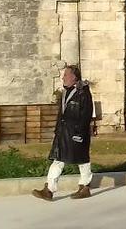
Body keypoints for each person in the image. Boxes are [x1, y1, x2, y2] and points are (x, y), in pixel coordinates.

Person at [33, 65, 93, 201]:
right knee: (58, 159)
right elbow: (62, 114)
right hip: (63, 132)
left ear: (74, 77)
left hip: (76, 133)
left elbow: (86, 115)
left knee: (82, 159)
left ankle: (84, 187)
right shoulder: (66, 92)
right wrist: (57, 130)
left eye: (66, 75)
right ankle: (49, 189)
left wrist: (79, 133)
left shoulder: (83, 93)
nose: (62, 78)